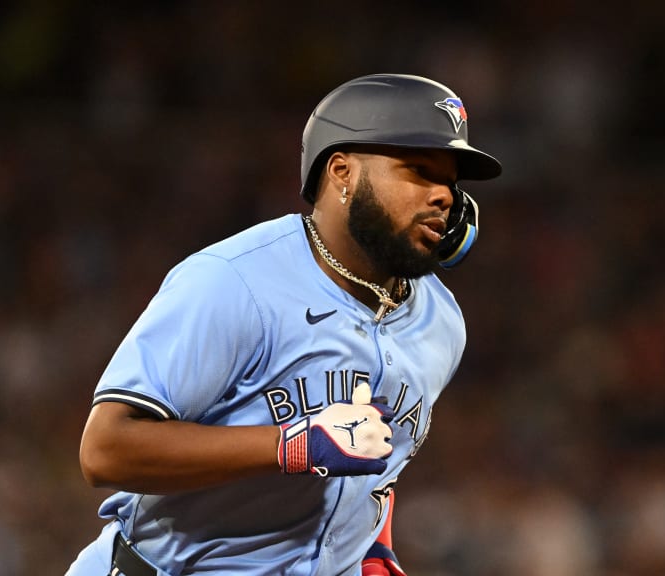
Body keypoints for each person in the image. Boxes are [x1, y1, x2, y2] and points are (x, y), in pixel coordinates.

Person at [65, 73, 501, 576]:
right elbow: (105, 450)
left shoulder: (441, 323)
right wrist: (292, 445)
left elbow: (376, 461)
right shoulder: (234, 282)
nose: (444, 196)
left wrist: (374, 547)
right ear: (343, 173)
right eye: (419, 170)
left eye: (450, 181)